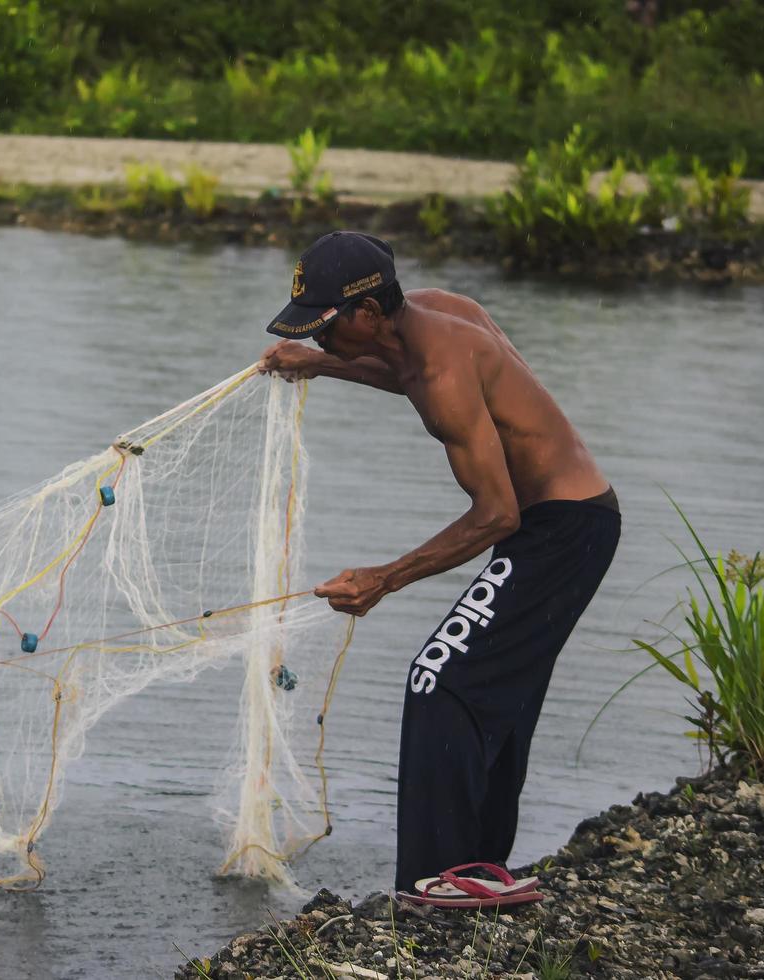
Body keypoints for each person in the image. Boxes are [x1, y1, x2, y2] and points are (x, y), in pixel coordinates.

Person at [257, 231, 620, 897]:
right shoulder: (430, 314)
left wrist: (382, 579)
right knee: (495, 692)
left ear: (367, 314)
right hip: (579, 520)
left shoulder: (444, 370)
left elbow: (496, 514)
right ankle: (483, 870)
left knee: (438, 680)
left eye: (325, 329)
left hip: (556, 531)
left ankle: (439, 883)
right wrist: (318, 363)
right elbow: (403, 370)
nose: (320, 338)